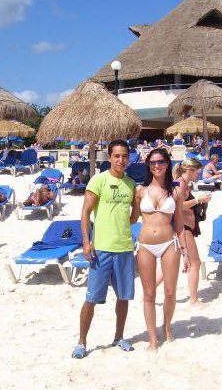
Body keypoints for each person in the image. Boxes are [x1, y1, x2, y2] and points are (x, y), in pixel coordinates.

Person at [72, 139, 137, 359]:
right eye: (117, 156)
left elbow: (134, 216)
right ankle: (82, 341)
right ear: (109, 157)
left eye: (125, 156)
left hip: (125, 248)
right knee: (91, 299)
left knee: (123, 297)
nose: (121, 160)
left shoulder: (131, 184)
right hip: (101, 249)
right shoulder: (98, 180)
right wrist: (86, 242)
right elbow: (85, 212)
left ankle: (119, 337)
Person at [132, 148, 188, 351]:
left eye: (161, 162)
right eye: (153, 162)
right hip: (145, 245)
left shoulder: (176, 191)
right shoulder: (139, 190)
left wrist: (185, 250)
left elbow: (180, 223)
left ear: (167, 164)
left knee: (171, 292)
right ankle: (153, 339)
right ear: (148, 165)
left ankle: (167, 327)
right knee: (148, 293)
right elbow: (130, 218)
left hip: (169, 244)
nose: (157, 165)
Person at [170, 158, 211, 305]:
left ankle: (148, 295)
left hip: (180, 227)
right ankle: (193, 300)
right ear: (190, 170)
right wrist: (198, 200)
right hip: (183, 228)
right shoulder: (181, 184)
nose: (198, 176)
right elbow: (178, 206)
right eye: (197, 173)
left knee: (170, 265)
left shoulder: (178, 182)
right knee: (195, 263)